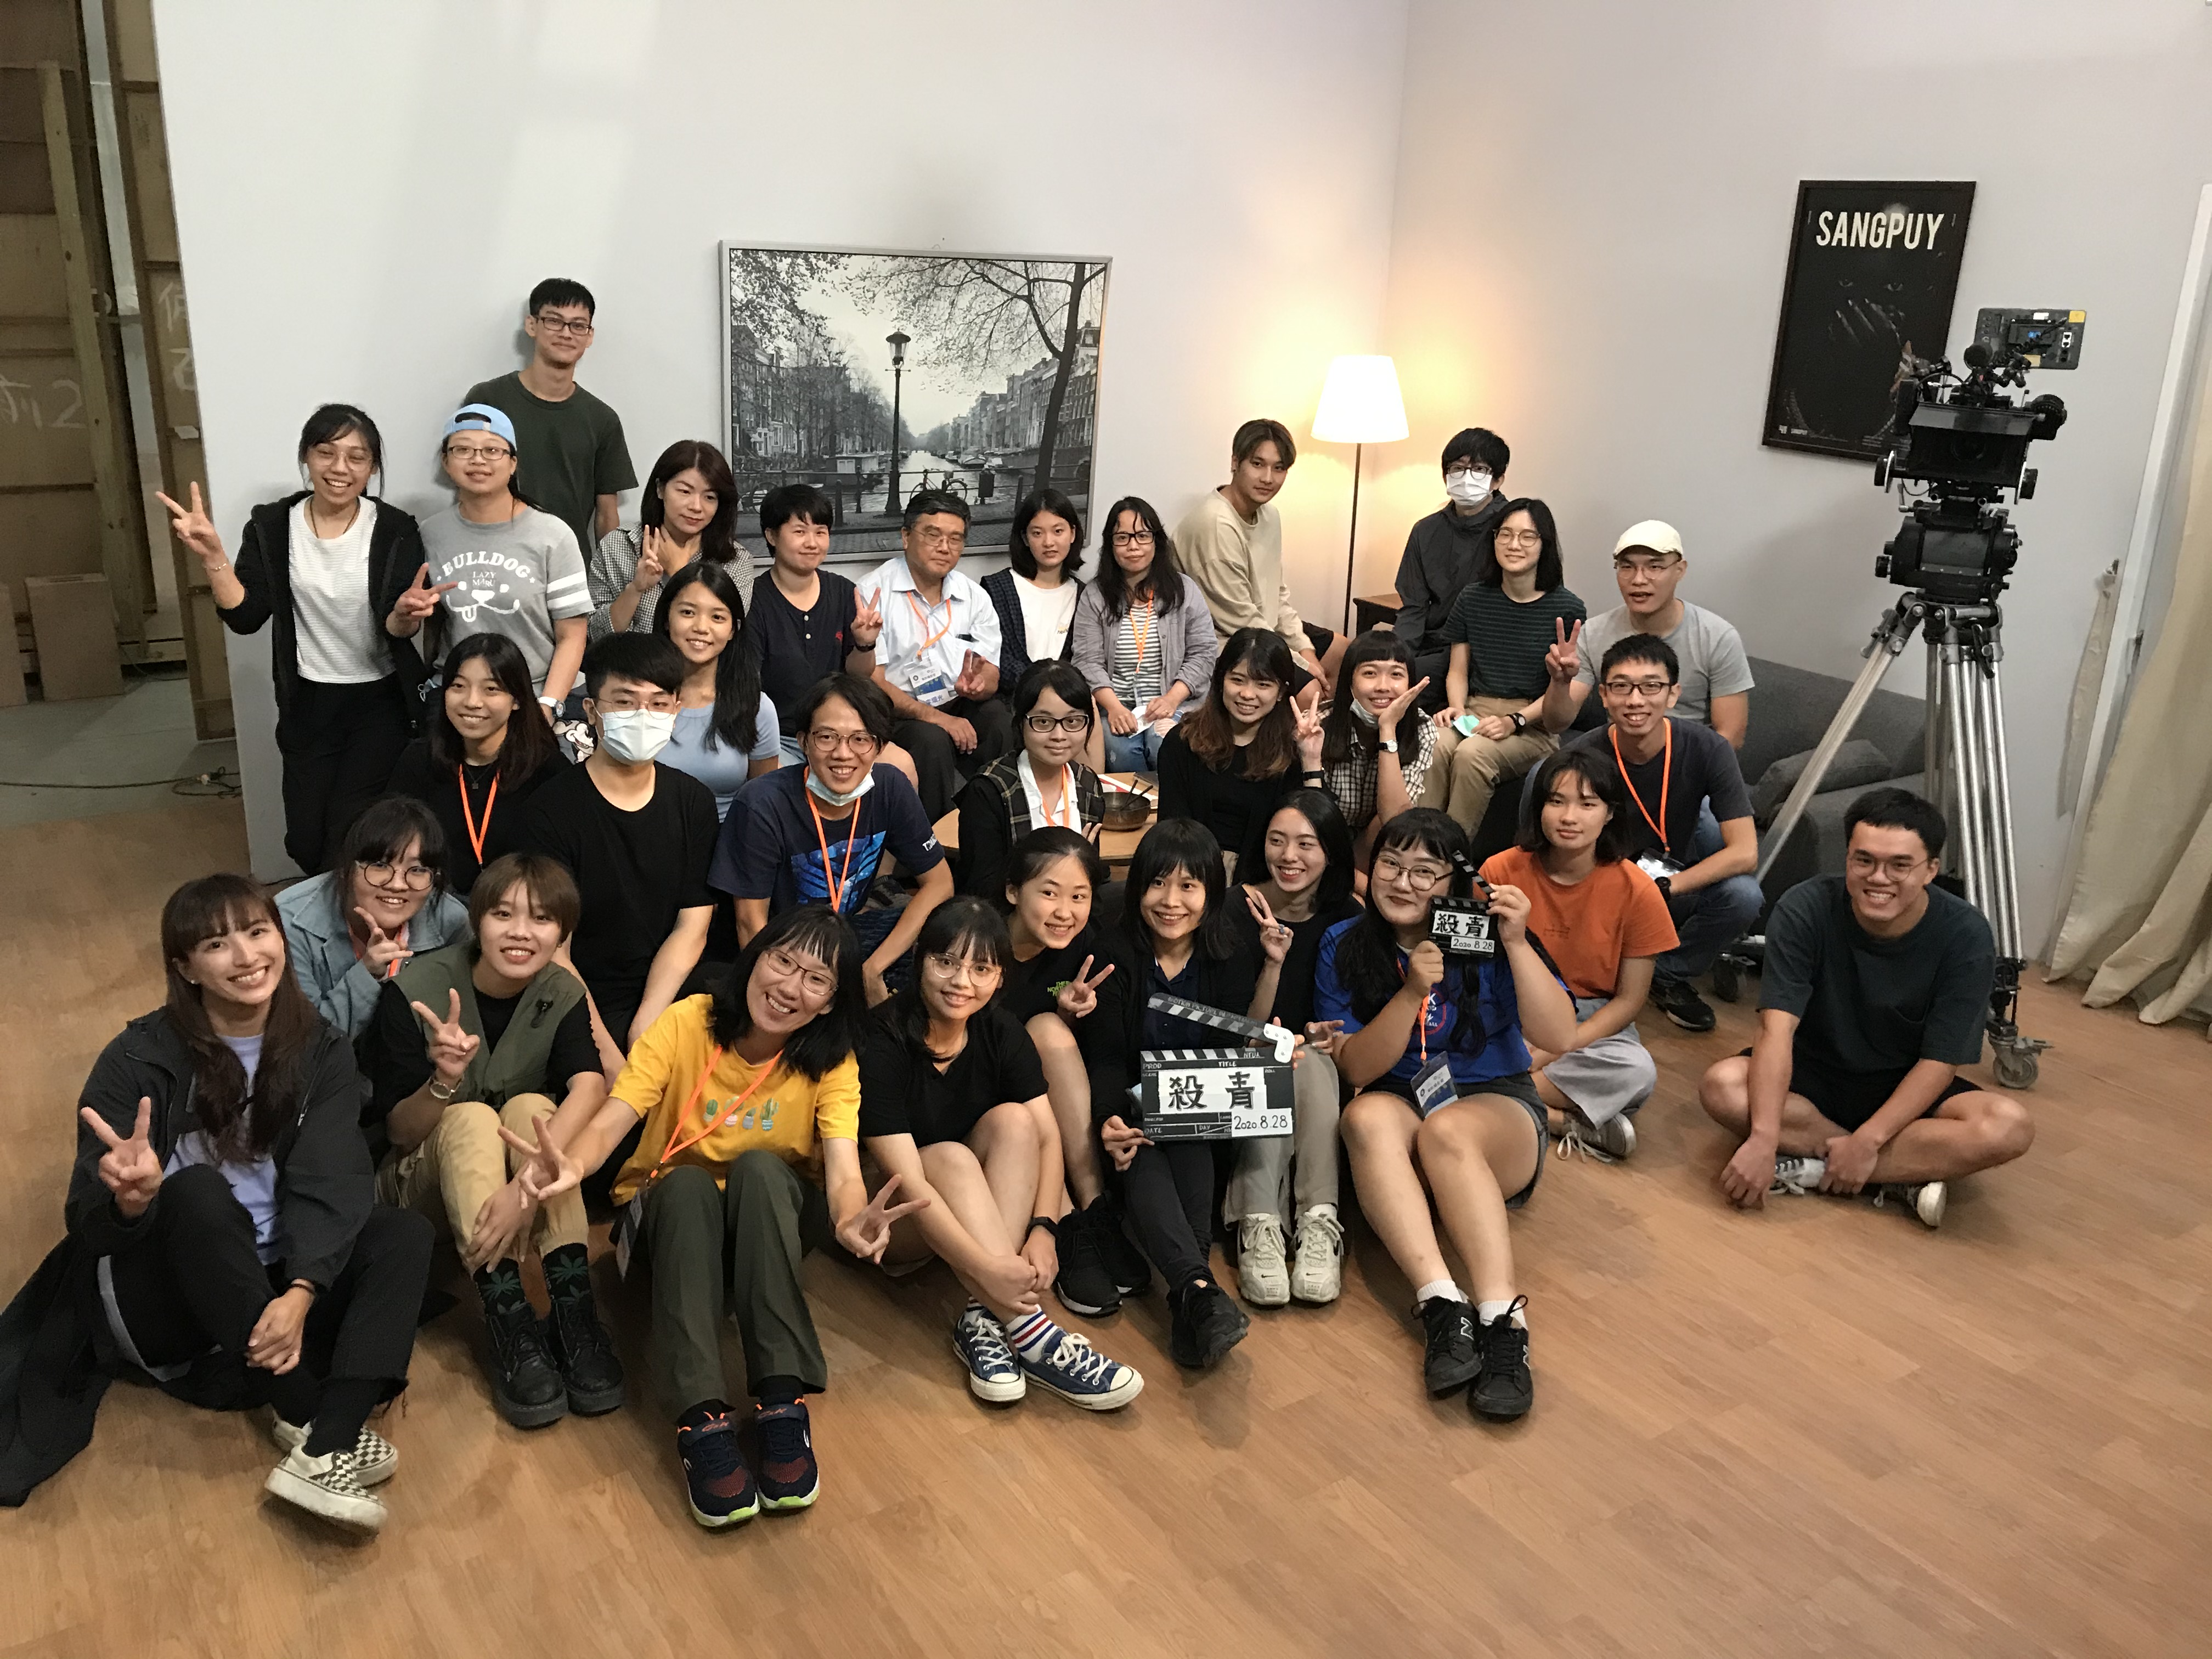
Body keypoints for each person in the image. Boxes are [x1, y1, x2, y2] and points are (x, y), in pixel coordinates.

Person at [0, 874, 432, 1527]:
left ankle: (325, 1443)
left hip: (270, 1270)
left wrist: (303, 1290)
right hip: (169, 1289)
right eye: (216, 944)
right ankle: (304, 1408)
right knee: (198, 1191)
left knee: (404, 1234)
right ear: (186, 968)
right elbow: (88, 1223)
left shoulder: (319, 1049)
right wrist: (130, 1202)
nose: (246, 956)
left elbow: (331, 1177)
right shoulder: (136, 1058)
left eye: (258, 932)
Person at [497, 907, 904, 1526]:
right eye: (782, 961)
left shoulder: (832, 1059)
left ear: (830, 1002)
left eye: (816, 980)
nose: (790, 987)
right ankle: (700, 1418)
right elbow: (613, 1119)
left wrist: (851, 1220)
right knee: (685, 1184)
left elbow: (845, 1169)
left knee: (762, 1170)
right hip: (670, 1230)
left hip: (766, 1229)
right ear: (755, 958)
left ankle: (781, 1402)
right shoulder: (690, 1020)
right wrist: (573, 1166)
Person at [1324, 810, 1577, 1421]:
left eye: (1424, 871)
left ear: (1454, 881)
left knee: (1448, 1129)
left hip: (1495, 1111)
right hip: (1400, 1103)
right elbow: (1357, 1068)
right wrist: (1411, 991)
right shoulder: (1344, 941)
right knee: (1363, 1120)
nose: (1402, 881)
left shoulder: (1488, 935)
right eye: (1390, 864)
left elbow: (1559, 1035)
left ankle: (1503, 1319)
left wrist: (1516, 941)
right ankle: (1442, 1304)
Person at [358, 854, 622, 1426]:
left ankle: (573, 1314)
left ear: (562, 933)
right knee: (474, 1117)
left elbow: (591, 1084)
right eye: (504, 914)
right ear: (477, 921)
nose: (522, 932)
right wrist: (443, 1080)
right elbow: (399, 1131)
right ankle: (508, 1320)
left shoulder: (561, 990)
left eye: (542, 919)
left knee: (534, 1111)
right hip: (413, 1189)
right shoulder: (418, 988)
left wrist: (525, 1189)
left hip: (506, 1186)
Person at [1700, 789, 2034, 1229]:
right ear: (1847, 859)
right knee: (1721, 1086)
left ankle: (1821, 1167)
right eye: (1864, 861)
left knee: (2009, 1126)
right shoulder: (1806, 907)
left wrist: (1869, 1141)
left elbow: (1940, 1061)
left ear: (1931, 869)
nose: (1879, 878)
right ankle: (1900, 1177)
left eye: (1900, 865)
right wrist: (1762, 1137)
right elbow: (1775, 1031)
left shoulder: (1966, 935)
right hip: (1812, 1074)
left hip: (1903, 1084)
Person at [857, 900, 1145, 1409]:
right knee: (950, 1158)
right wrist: (989, 1270)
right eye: (945, 962)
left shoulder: (999, 1029)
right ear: (920, 960)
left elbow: (1047, 1137)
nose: (961, 981)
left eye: (981, 969)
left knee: (1015, 1121)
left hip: (968, 1214)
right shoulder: (881, 1038)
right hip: (888, 1220)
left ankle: (983, 1317)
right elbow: (909, 1179)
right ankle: (1032, 1331)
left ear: (1000, 978)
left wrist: (1045, 1229)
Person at [156, 405, 422, 872]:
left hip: (379, 703)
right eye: (326, 453)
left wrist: (404, 616)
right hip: (307, 702)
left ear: (373, 468)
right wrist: (214, 556)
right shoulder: (272, 526)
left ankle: (345, 915)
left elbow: (398, 625)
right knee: (304, 838)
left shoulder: (396, 529)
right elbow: (246, 616)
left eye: (357, 457)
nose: (340, 468)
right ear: (306, 457)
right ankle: (332, 904)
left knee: (348, 830)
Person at [1082, 820, 1285, 1365]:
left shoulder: (1228, 954)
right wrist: (1107, 1120)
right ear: (1137, 888)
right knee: (1146, 1142)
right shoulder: (1114, 953)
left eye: (1188, 886)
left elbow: (1231, 1047)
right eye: (1158, 883)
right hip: (1130, 1108)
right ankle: (1199, 1292)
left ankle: (1191, 1294)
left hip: (1197, 1110)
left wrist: (1271, 972)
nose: (1171, 902)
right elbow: (1106, 1057)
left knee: (1188, 1133)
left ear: (1211, 893)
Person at [513, 633, 718, 1059]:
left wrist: (646, 1026)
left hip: (668, 990)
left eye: (658, 703)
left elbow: (692, 926)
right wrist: (607, 1054)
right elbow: (555, 949)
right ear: (591, 710)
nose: (643, 716)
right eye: (624, 702)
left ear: (677, 709)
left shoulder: (694, 801)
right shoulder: (550, 809)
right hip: (577, 994)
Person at [1479, 749, 1677, 1161]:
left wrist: (1555, 1049)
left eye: (1588, 804)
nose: (1569, 817)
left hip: (1591, 1019)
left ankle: (1482, 1090)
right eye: (1557, 801)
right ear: (1539, 808)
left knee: (1636, 1070)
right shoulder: (1500, 871)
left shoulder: (1639, 892)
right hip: (1511, 1007)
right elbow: (1474, 966)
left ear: (1609, 814)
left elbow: (1630, 1000)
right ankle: (1559, 1120)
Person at [1563, 634, 1762, 1034]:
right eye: (1621, 686)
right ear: (1604, 696)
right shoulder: (1583, 756)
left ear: (1673, 694)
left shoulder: (1708, 748)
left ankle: (1666, 974)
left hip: (1667, 882)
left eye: (1651, 686)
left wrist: (1666, 887)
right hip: (1601, 881)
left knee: (1744, 896)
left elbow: (1745, 852)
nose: (1636, 700)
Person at [710, 674, 951, 1002]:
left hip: (844, 937)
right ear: (803, 742)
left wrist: (872, 970)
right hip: (778, 952)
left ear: (880, 747)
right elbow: (750, 924)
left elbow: (939, 883)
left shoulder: (891, 787)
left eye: (860, 739)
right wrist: (797, 991)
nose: (843, 754)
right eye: (826, 737)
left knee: (942, 939)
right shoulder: (762, 804)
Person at [987, 829, 1149, 1317]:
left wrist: (1069, 1015)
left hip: (1038, 1092)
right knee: (1030, 1059)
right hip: (982, 1101)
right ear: (1013, 891)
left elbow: (1090, 1052)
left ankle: (1095, 1207)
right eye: (1049, 893)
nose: (1065, 912)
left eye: (1079, 896)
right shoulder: (980, 945)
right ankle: (1064, 1223)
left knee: (1049, 1030)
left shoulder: (1086, 948)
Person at [1231, 791, 1361, 1306]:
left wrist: (1334, 1034)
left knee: (1308, 1058)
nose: (1289, 856)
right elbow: (1236, 1026)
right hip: (1247, 1053)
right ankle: (1259, 1222)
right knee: (1276, 1057)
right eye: (1277, 841)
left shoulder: (1347, 916)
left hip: (1314, 1066)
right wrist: (1272, 965)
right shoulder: (1236, 907)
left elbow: (1352, 1015)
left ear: (1330, 852)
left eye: (1306, 844)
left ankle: (1317, 1221)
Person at [392, 404, 590, 713]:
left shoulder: (553, 535)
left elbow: (573, 635)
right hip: (460, 698)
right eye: (463, 450)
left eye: (492, 450)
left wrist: (548, 706)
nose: (478, 460)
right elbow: (419, 628)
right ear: (446, 462)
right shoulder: (430, 533)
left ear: (513, 463)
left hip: (534, 694)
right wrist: (406, 614)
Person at [1428, 498, 1586, 837]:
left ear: (1544, 545)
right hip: (1476, 709)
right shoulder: (1472, 598)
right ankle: (1417, 844)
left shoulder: (1567, 608)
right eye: (1506, 534)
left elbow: (1561, 691)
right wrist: (1456, 708)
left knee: (1472, 755)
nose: (1514, 545)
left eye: (1528, 537)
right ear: (1494, 540)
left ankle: (1451, 856)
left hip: (1533, 725)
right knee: (1436, 743)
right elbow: (1458, 670)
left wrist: (1514, 721)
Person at [859, 490, 1011, 817]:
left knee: (999, 721)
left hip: (957, 701)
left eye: (956, 539)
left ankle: (992, 819)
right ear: (906, 537)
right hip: (896, 710)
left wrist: (979, 685)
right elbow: (873, 680)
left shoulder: (974, 596)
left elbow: (992, 672)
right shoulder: (873, 592)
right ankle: (934, 838)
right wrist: (938, 718)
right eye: (933, 535)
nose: (945, 547)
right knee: (931, 740)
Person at [463, 276, 636, 558]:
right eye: (554, 321)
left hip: (570, 567)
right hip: (495, 559)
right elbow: (467, 485)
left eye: (578, 325)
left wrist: (612, 575)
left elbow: (607, 515)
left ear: (589, 336)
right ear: (532, 325)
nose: (566, 334)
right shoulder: (488, 400)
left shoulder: (602, 419)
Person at [385, 634, 568, 895]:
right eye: (459, 686)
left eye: (491, 689)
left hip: (518, 905)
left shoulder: (547, 770)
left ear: (517, 699)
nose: (472, 702)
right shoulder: (420, 759)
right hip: (432, 902)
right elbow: (390, 843)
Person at [276, 795, 469, 1041]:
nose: (398, 885)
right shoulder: (290, 921)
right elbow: (308, 1042)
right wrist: (367, 973)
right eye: (380, 866)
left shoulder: (451, 921)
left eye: (418, 870)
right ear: (346, 869)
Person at [1176, 417, 1344, 693]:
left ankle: (1326, 720)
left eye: (1279, 468)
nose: (1268, 478)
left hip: (1262, 624)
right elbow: (1240, 621)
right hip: (1222, 641)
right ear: (1235, 463)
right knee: (1309, 690)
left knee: (1343, 652)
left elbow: (1277, 594)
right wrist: (1303, 665)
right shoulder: (1215, 524)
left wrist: (1305, 648)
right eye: (1258, 464)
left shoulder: (1269, 515)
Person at [1562, 521, 1754, 748]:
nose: (1638, 580)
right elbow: (1558, 723)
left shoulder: (1718, 638)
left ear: (1680, 570)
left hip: (1689, 758)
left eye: (1654, 567)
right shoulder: (1593, 633)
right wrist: (1559, 682)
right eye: (1627, 567)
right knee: (1544, 768)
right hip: (1618, 756)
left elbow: (1731, 736)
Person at [1155, 627, 1325, 878]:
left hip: (1269, 879)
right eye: (1237, 680)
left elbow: (1315, 835)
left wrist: (1311, 760)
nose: (1247, 694)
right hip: (1192, 873)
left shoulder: (1293, 748)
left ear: (1281, 692)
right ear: (1220, 680)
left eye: (1263, 684)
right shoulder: (1182, 742)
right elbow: (1172, 829)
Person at [1072, 495, 1218, 772]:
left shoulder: (1184, 590)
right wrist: (1115, 708)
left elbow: (1203, 652)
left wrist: (1171, 699)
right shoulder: (1095, 595)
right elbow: (1087, 661)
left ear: (1156, 541)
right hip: (1117, 706)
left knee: (1164, 742)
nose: (1133, 546)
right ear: (1111, 544)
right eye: (1123, 538)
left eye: (1142, 536)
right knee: (1119, 751)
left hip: (1177, 703)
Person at [746, 483, 886, 768]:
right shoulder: (753, 599)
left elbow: (859, 675)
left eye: (821, 532)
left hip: (840, 734)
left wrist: (864, 643)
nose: (812, 543)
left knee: (902, 765)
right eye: (800, 532)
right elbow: (748, 685)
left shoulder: (844, 592)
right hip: (779, 737)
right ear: (771, 536)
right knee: (790, 785)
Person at [953, 662, 1105, 904]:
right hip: (1007, 920)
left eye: (1073, 721)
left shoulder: (1088, 785)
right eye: (1043, 722)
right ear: (1020, 722)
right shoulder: (989, 791)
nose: (1059, 736)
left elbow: (1092, 884)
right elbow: (982, 892)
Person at [1392, 427, 1515, 712]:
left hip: (1485, 650)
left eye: (1479, 469)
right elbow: (1413, 607)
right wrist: (1393, 658)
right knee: (1371, 672)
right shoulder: (1426, 530)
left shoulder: (1512, 531)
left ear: (1498, 479)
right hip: (1433, 642)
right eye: (1457, 468)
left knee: (1404, 686)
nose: (1466, 477)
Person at [651, 562, 780, 821]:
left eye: (717, 617)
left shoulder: (756, 707)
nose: (701, 627)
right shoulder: (639, 700)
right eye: (688, 612)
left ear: (733, 630)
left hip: (728, 838)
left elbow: (763, 801)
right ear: (666, 619)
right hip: (651, 835)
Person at [586, 439, 742, 640]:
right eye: (685, 491)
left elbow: (723, 639)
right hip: (629, 661)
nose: (696, 507)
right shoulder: (618, 546)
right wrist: (636, 589)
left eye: (710, 497)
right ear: (660, 489)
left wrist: (679, 571)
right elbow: (595, 636)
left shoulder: (735, 561)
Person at [1318, 630, 1440, 864]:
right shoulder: (1320, 725)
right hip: (1324, 842)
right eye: (1370, 673)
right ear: (1350, 681)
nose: (1383, 686)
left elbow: (1394, 817)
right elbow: (1311, 816)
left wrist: (1388, 729)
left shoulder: (1422, 727)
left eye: (1396, 674)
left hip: (1376, 846)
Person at [980, 489, 1085, 695]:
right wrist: (1040, 690)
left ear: (1072, 534)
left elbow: (1086, 660)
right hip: (1009, 701)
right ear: (1025, 538)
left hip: (1067, 703)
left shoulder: (1085, 596)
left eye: (1058, 531)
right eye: (1037, 533)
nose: (1048, 542)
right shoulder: (997, 589)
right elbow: (994, 655)